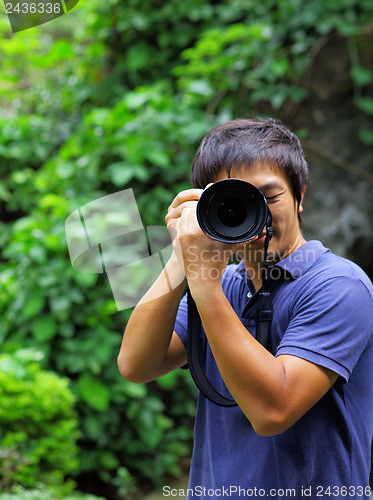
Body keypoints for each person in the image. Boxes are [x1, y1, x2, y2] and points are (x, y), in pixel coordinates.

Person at [117, 118, 373, 499]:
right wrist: (181, 259)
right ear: (209, 208)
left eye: (269, 198)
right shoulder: (221, 285)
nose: (259, 218)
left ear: (300, 196)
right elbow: (137, 364)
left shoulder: (338, 285)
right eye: (237, 203)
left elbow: (272, 412)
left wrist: (203, 283)